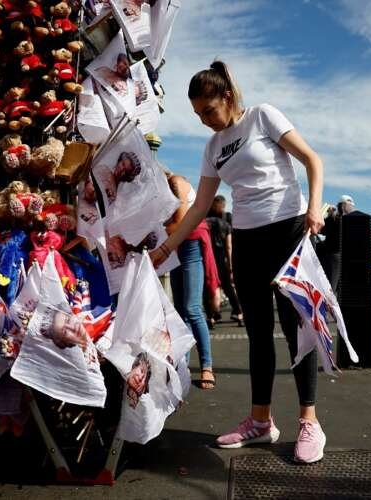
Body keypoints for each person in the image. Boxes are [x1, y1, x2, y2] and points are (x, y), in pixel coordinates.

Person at [150, 61, 327, 463]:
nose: (205, 121)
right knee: (259, 333)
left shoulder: (263, 116)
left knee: (297, 329)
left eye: (209, 111)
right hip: (247, 240)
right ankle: (261, 422)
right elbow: (196, 209)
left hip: (287, 230)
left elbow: (312, 160)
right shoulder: (213, 147)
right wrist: (165, 247)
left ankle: (309, 421)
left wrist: (314, 208)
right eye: (198, 115)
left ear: (227, 97)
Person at [164, 169, 218, 390]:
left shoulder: (176, 182)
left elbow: (181, 223)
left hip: (190, 244)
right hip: (175, 245)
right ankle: (183, 365)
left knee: (193, 307)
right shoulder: (161, 187)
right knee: (180, 311)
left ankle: (207, 365)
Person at [206, 194, 243, 327]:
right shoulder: (226, 221)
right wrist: (231, 263)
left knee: (210, 287)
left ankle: (212, 315)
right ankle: (238, 312)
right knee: (228, 287)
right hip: (222, 257)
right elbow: (229, 246)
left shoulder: (206, 220)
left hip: (208, 257)